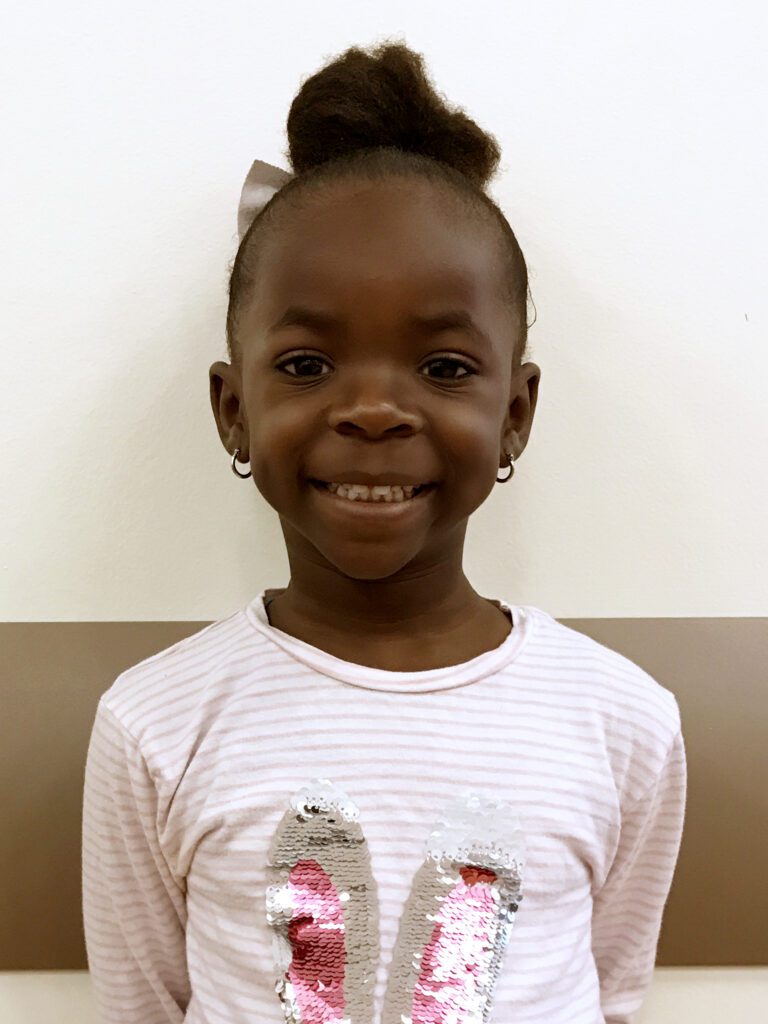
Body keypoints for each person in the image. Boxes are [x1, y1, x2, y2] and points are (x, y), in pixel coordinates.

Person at [82, 39, 687, 1024]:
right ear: (232, 410)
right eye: (309, 364)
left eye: (444, 367)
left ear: (515, 415)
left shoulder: (622, 720)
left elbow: (612, 995)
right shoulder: (156, 724)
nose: (372, 410)